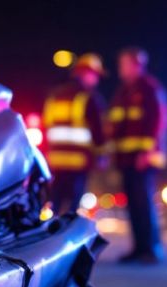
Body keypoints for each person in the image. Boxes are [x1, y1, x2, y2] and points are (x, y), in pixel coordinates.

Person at [108, 47, 167, 264]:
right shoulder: (124, 92)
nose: (121, 69)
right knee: (134, 204)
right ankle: (138, 248)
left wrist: (148, 150)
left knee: (144, 202)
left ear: (137, 64)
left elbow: (159, 120)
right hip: (126, 157)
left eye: (124, 64)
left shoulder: (148, 88)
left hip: (143, 157)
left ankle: (151, 248)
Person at [42, 53, 109, 214]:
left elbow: (46, 126)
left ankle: (52, 231)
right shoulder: (88, 98)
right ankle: (68, 231)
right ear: (86, 73)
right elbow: (99, 132)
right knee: (72, 204)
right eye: (95, 75)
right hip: (79, 160)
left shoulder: (55, 95)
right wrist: (101, 156)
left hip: (55, 160)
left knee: (56, 201)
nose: (96, 80)